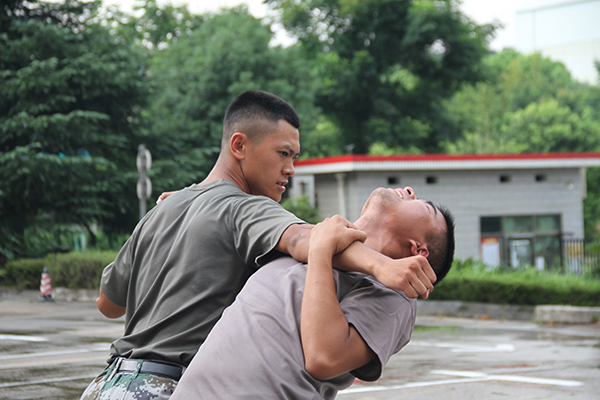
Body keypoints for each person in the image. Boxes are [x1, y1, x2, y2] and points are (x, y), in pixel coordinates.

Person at [80, 91, 438, 400]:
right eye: (284, 154)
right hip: (167, 387)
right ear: (240, 145)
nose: (291, 169)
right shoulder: (245, 207)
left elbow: (107, 304)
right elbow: (307, 238)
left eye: (294, 157)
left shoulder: (161, 210)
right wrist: (382, 266)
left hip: (106, 383)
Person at [171, 186, 455, 399]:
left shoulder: (396, 294)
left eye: (423, 205)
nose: (408, 190)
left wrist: (321, 252)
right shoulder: (304, 239)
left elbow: (324, 359)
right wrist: (195, 206)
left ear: (418, 250)